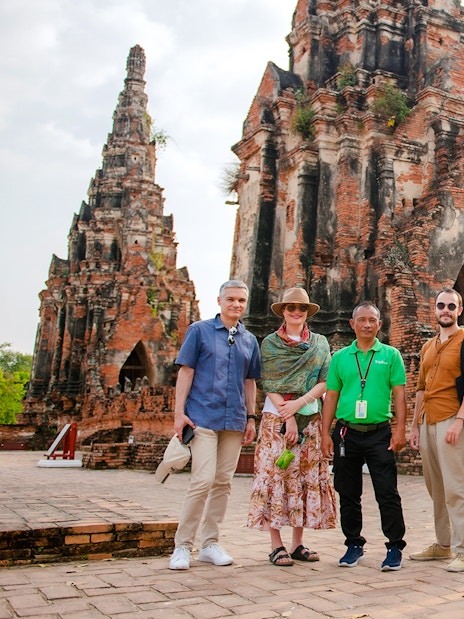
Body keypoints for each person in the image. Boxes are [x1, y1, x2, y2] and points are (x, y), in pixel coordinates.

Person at [168, 280, 261, 570]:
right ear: (219, 301)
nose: (236, 305)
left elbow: (250, 381)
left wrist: (251, 417)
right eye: (231, 299)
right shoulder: (200, 331)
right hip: (202, 417)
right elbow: (186, 372)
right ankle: (182, 546)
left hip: (233, 420)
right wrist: (178, 413)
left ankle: (210, 543)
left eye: (241, 300)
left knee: (223, 482)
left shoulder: (249, 339)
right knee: (202, 480)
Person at [247, 287, 336, 566]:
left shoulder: (321, 343)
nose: (296, 312)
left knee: (305, 477)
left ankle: (298, 543)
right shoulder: (270, 343)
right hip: (277, 418)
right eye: (290, 308)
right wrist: (287, 416)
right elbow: (270, 382)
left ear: (307, 312)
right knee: (276, 476)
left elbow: (326, 380)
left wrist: (300, 404)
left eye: (301, 308)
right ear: (283, 311)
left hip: (309, 417)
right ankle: (276, 544)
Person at [321, 301, 407, 571]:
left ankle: (394, 546)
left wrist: (400, 429)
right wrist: (325, 432)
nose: (367, 325)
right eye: (362, 320)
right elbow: (331, 396)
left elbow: (400, 395)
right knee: (347, 492)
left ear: (379, 324)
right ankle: (353, 544)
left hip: (379, 433)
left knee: (387, 491)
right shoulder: (340, 358)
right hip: (346, 433)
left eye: (373, 320)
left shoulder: (391, 355)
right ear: (352, 324)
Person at [409, 287, 464, 572]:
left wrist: (459, 420)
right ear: (434, 309)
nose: (446, 310)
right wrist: (414, 424)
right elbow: (420, 388)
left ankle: (463, 549)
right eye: (441, 305)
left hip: (451, 419)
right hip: (428, 420)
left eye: (451, 306)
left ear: (459, 310)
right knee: (436, 487)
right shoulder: (428, 346)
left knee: (456, 486)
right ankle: (443, 545)